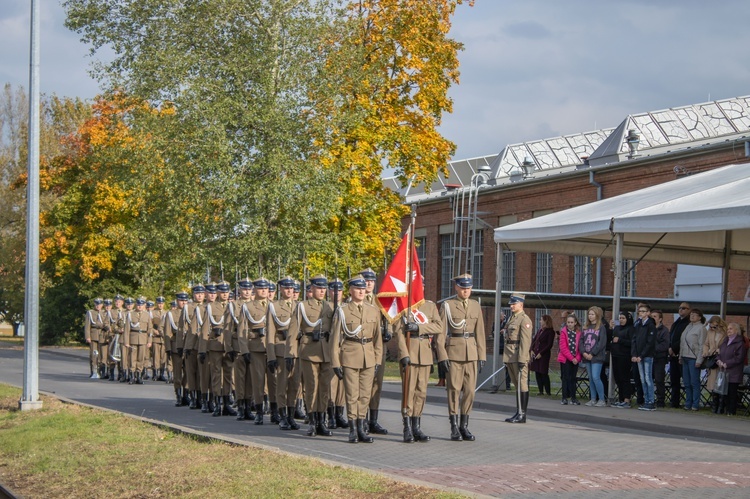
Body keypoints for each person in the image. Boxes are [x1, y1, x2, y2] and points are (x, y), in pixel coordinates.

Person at [330, 275, 384, 444]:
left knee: (365, 395)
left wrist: (377, 360)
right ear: (351, 290)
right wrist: (335, 362)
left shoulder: (373, 310)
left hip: (368, 357)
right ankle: (353, 429)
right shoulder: (343, 310)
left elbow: (377, 339)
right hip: (350, 356)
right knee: (352, 394)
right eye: (357, 288)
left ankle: (362, 428)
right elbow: (335, 339)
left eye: (363, 288)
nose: (361, 291)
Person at [436, 274, 487, 440]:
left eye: (468, 288)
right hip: (454, 353)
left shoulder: (475, 305)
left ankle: (464, 425)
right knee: (453, 391)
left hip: (471, 353)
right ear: (456, 288)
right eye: (463, 288)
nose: (466, 291)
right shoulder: (448, 306)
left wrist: (482, 355)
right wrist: (442, 356)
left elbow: (480, 332)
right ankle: (454, 426)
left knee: (470, 391)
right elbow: (441, 334)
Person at [286, 274, 335, 437]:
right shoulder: (302, 307)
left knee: (324, 388)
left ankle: (322, 420)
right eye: (319, 288)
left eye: (324, 288)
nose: (322, 291)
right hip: (308, 350)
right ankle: (313, 421)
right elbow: (292, 332)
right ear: (311, 289)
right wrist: (290, 353)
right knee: (311, 387)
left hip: (326, 350)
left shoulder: (330, 307)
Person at [395, 289, 443, 443]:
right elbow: (398, 332)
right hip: (410, 351)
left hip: (425, 353)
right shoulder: (402, 306)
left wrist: (419, 328)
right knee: (408, 391)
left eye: (421, 285)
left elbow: (438, 327)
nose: (419, 288)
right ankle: (407, 427)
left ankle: (417, 426)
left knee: (421, 392)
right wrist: (403, 354)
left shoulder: (429, 306)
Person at [361, 267, 392, 436]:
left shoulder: (380, 301)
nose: (369, 284)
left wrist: (389, 332)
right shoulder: (356, 301)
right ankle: (362, 419)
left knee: (376, 385)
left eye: (372, 281)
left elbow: (390, 320)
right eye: (366, 280)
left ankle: (373, 419)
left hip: (378, 348)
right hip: (363, 347)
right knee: (363, 385)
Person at [267, 277, 299, 430]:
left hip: (296, 351)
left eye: (291, 288)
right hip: (280, 350)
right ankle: (282, 416)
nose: (289, 290)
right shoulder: (274, 307)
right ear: (280, 289)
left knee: (294, 385)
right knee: (282, 385)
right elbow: (270, 333)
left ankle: (292, 416)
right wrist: (271, 356)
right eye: (286, 287)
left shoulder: (299, 306)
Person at [717, 322, 748, 415]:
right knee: (724, 392)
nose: (728, 330)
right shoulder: (725, 341)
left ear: (736, 330)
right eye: (728, 329)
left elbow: (739, 358)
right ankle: (724, 409)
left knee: (732, 392)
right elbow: (719, 353)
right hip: (723, 370)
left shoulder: (740, 343)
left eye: (731, 329)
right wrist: (718, 361)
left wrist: (727, 363)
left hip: (733, 372)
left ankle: (731, 411)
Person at [679, 308, 706, 411]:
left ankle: (695, 404)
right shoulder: (688, 326)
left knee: (694, 382)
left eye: (695, 314)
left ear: (699, 317)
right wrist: (680, 356)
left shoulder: (701, 328)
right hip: (685, 356)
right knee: (686, 382)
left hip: (693, 358)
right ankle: (688, 402)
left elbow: (701, 345)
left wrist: (699, 359)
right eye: (691, 314)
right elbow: (683, 342)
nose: (692, 316)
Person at [581, 306, 607, 407]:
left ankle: (601, 399)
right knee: (591, 378)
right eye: (589, 314)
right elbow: (581, 341)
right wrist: (584, 352)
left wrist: (592, 353)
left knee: (596, 377)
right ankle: (592, 399)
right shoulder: (586, 327)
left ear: (597, 315)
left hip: (596, 357)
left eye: (592, 314)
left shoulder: (601, 327)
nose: (590, 316)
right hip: (586, 356)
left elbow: (601, 343)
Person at [632, 303, 657, 411]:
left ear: (648, 313)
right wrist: (634, 354)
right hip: (638, 356)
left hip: (646, 356)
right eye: (639, 311)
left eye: (643, 311)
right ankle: (646, 400)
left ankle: (651, 401)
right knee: (642, 379)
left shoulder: (650, 325)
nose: (641, 313)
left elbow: (650, 342)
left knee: (648, 378)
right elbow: (634, 339)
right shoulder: (638, 324)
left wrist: (641, 355)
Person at [124, 296, 153, 385]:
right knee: (132, 358)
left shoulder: (147, 315)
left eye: (141, 305)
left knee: (141, 358)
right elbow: (127, 329)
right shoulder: (130, 314)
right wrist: (126, 341)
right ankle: (132, 376)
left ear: (144, 305)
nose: (139, 306)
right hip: (133, 338)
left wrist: (149, 341)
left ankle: (139, 375)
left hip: (143, 339)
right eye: (138, 305)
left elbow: (150, 329)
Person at [703, 316, 728, 413]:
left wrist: (720, 350)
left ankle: (721, 406)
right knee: (713, 382)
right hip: (712, 358)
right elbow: (706, 343)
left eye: (714, 327)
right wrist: (706, 351)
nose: (712, 328)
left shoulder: (725, 333)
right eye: (711, 327)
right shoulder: (710, 332)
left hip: (722, 359)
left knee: (721, 382)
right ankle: (714, 404)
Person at [668, 302, 691, 408]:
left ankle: (689, 402)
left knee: (686, 380)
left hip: (682, 355)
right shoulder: (676, 322)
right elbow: (671, 336)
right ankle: (674, 401)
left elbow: (683, 339)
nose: (681, 310)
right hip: (672, 356)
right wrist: (669, 347)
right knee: (674, 380)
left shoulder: (688, 323)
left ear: (689, 310)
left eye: (684, 308)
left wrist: (674, 348)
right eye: (680, 308)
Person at [610, 311, 634, 408]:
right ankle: (621, 399)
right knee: (618, 378)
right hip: (615, 355)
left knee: (625, 378)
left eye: (623, 318)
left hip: (625, 356)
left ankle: (627, 399)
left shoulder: (631, 329)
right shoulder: (617, 328)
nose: (621, 320)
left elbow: (632, 342)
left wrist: (620, 340)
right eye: (620, 318)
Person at [557, 314, 582, 405]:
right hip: (566, 359)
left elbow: (580, 347)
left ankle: (573, 398)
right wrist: (571, 358)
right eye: (568, 322)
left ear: (575, 323)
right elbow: (563, 347)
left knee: (573, 378)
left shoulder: (579, 333)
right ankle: (564, 397)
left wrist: (577, 358)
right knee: (565, 378)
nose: (570, 324)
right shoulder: (563, 332)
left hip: (575, 358)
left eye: (572, 322)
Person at [529, 314, 555, 396]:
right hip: (536, 353)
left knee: (543, 372)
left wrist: (541, 353)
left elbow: (549, 344)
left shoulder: (550, 331)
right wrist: (531, 350)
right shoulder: (540, 330)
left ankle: (548, 391)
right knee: (537, 372)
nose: (540, 321)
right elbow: (534, 340)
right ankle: (540, 390)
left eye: (541, 320)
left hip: (544, 354)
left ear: (545, 321)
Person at [651, 309, 670, 408]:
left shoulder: (664, 330)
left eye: (655, 316)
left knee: (659, 379)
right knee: (648, 379)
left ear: (660, 319)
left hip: (659, 358)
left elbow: (665, 345)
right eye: (652, 316)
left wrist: (653, 349)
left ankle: (660, 400)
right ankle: (649, 398)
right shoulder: (649, 329)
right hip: (649, 358)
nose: (653, 318)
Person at [84, 298, 105, 379]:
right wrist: (88, 336)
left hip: (102, 336)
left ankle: (101, 371)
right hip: (93, 336)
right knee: (93, 354)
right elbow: (87, 326)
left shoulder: (104, 313)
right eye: (96, 304)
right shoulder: (90, 313)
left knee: (102, 355)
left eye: (99, 304)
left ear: (102, 305)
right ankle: (93, 371)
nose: (98, 306)